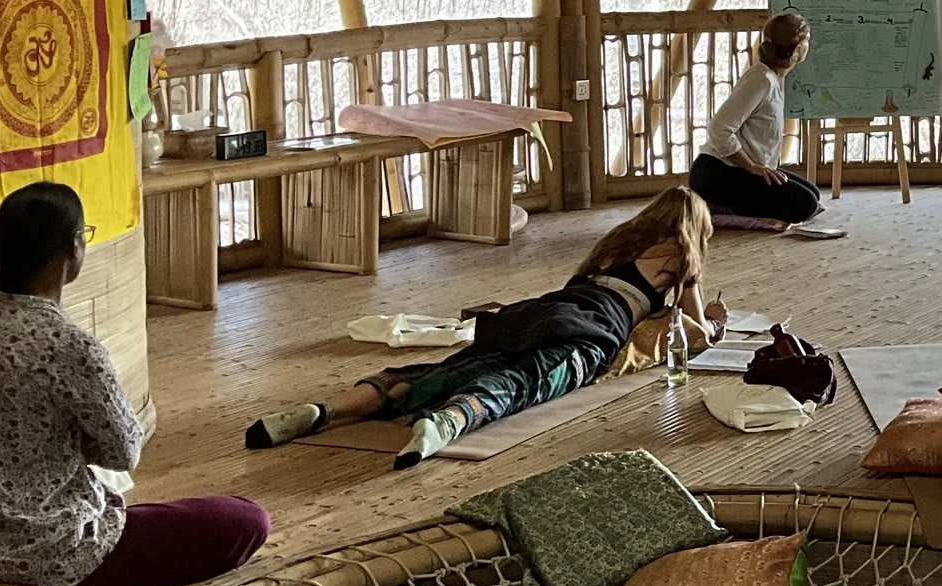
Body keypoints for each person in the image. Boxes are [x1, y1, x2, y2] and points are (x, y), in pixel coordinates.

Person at [0, 183, 271, 586]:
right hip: (44, 552)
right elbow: (124, 453)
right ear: (72, 250)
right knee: (246, 520)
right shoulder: (69, 346)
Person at [245, 189, 729, 468]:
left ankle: (326, 408)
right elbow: (698, 329)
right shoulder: (682, 257)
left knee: (448, 367)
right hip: (590, 331)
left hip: (539, 311)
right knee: (521, 382)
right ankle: (445, 424)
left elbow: (576, 286)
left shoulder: (616, 242)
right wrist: (714, 321)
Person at [688, 12, 824, 226]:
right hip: (716, 174)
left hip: (735, 171)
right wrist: (751, 166)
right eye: (807, 40)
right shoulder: (761, 79)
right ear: (797, 49)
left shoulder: (775, 76)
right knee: (804, 204)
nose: (809, 45)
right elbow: (719, 128)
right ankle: (716, 207)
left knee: (813, 194)